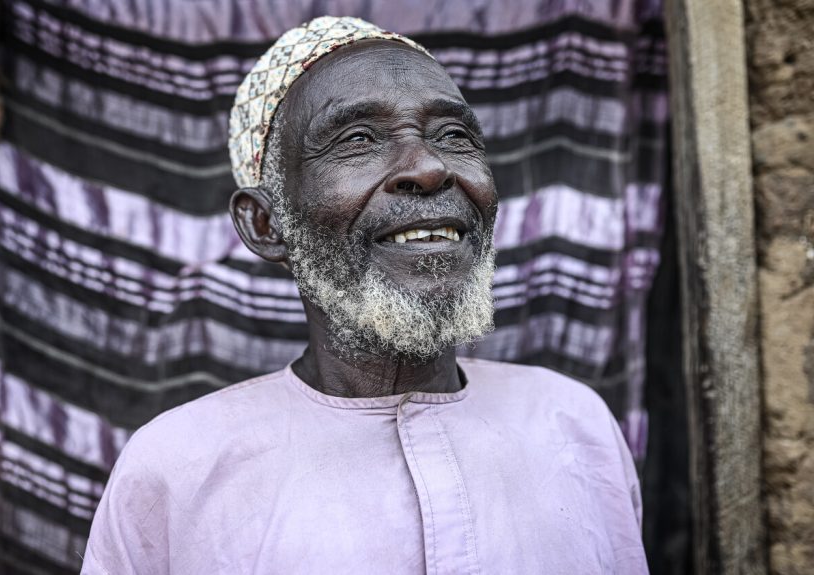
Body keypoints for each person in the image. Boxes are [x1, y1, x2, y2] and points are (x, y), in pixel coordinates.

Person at [82, 16, 646, 574]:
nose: (428, 167)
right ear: (266, 224)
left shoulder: (574, 425)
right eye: (357, 139)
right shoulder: (175, 471)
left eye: (454, 136)